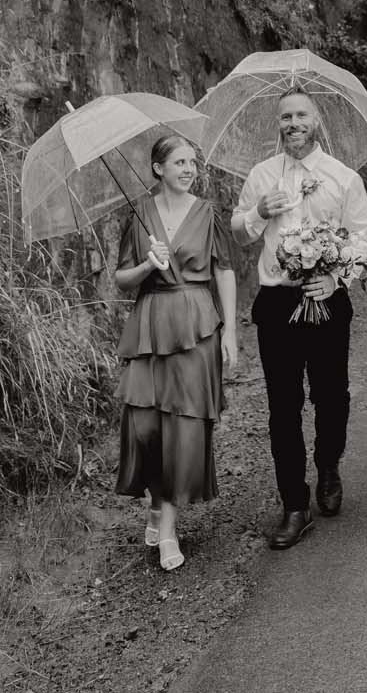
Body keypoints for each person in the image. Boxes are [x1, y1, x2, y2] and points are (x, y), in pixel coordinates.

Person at [231, 90, 367, 550]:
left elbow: (364, 241)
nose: (293, 122)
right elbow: (238, 233)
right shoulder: (261, 176)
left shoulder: (343, 178)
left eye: (301, 115)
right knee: (283, 407)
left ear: (317, 122)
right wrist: (257, 212)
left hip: (328, 300)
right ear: (279, 124)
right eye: (286, 116)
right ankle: (294, 504)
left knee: (332, 396)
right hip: (277, 303)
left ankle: (329, 465)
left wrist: (336, 280)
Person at [115, 135, 237, 572]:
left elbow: (224, 270)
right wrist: (149, 264)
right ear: (157, 168)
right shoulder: (138, 215)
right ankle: (154, 500)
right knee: (145, 425)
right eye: (179, 162)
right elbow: (121, 279)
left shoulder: (208, 214)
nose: (189, 169)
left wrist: (230, 332)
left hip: (197, 322)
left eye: (192, 162)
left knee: (183, 427)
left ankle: (167, 526)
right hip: (150, 323)